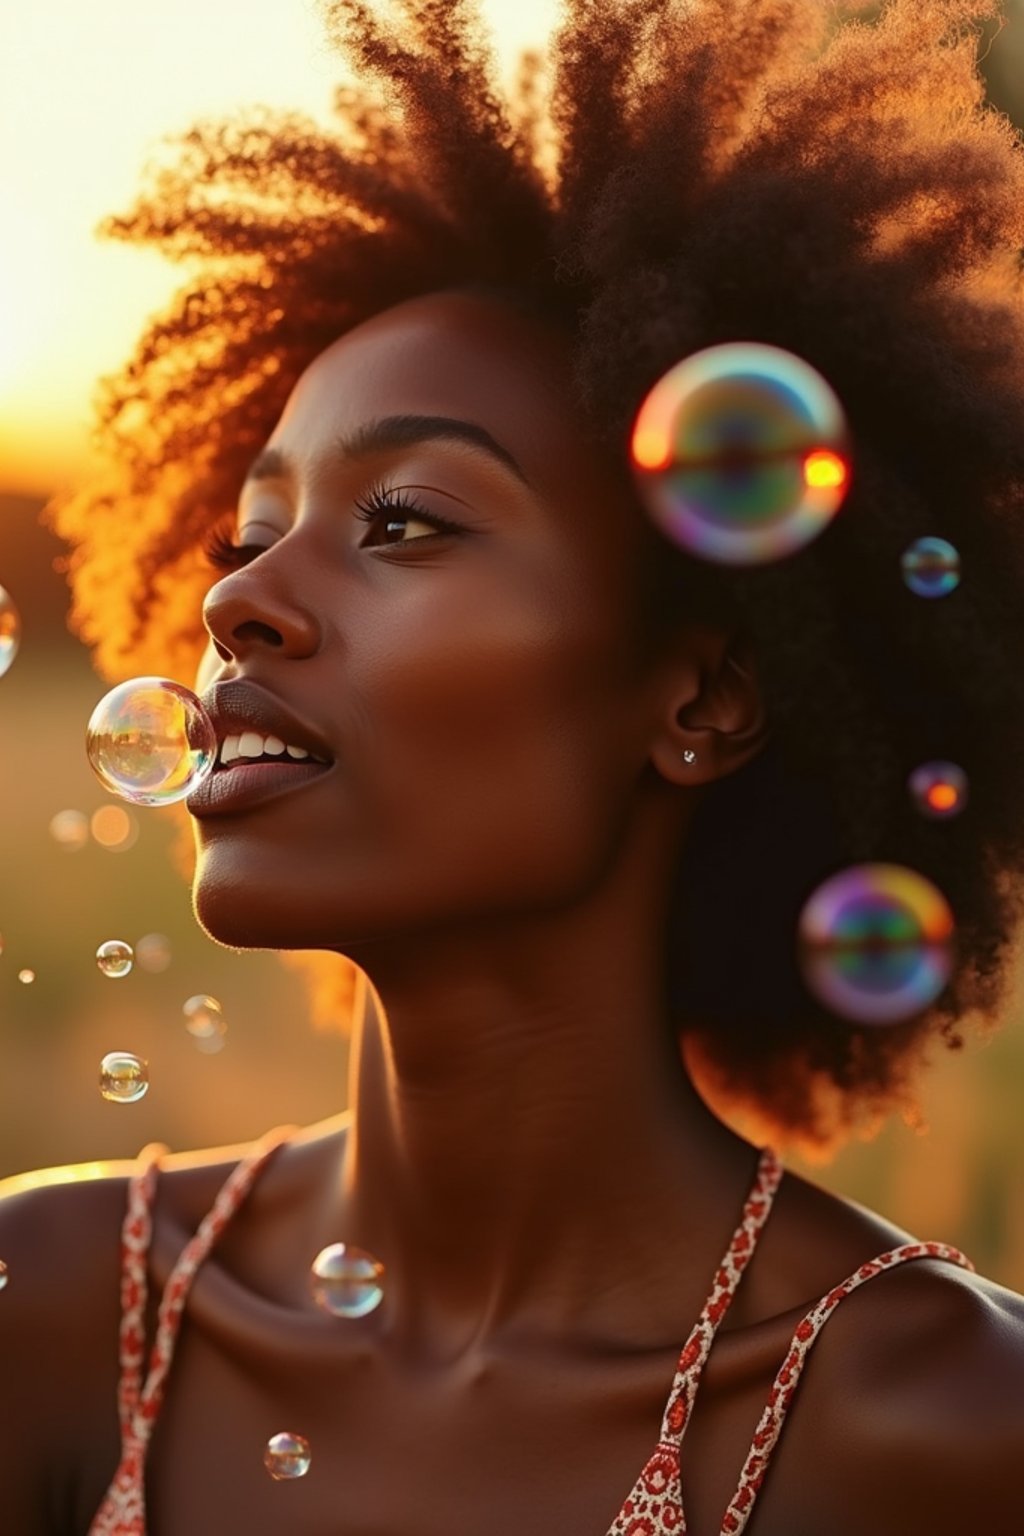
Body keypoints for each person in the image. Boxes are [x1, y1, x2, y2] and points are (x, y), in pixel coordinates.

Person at [3, 0, 1024, 1530]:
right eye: (250, 534)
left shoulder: (941, 1430)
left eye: (404, 521)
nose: (233, 602)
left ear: (703, 694)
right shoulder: (61, 1318)